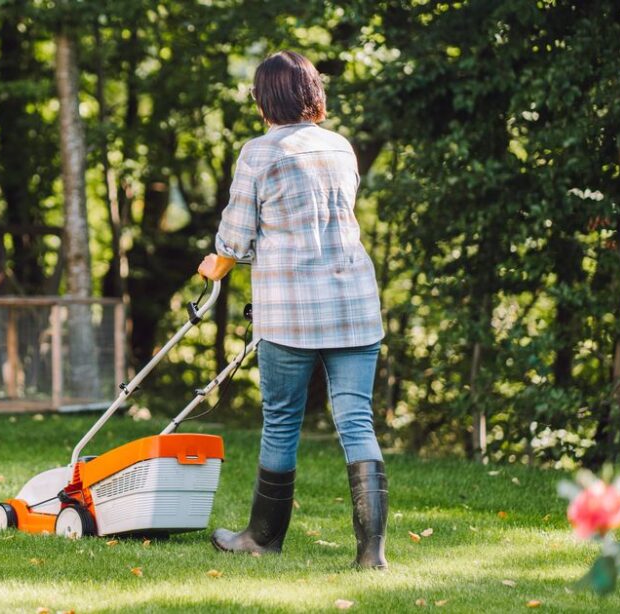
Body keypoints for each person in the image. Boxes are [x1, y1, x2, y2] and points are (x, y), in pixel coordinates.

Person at [196, 51, 389, 570]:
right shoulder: (340, 147)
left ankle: (262, 539)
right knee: (357, 421)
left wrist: (219, 262)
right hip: (354, 304)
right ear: (312, 94)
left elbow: (236, 236)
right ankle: (371, 554)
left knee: (281, 421)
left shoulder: (259, 153)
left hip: (291, 310)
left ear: (265, 99)